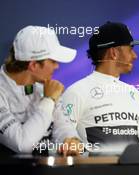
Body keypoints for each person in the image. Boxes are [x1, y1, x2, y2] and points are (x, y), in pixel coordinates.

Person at [59, 21, 139, 155]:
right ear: (114, 53)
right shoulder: (76, 92)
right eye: (130, 49)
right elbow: (61, 142)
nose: (135, 56)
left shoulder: (133, 93)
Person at [0, 26, 82, 156]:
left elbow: (63, 126)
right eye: (53, 61)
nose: (57, 66)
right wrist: (48, 100)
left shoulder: (45, 87)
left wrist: (71, 139)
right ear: (33, 65)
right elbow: (23, 144)